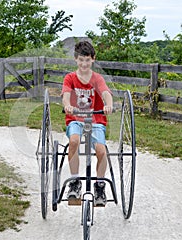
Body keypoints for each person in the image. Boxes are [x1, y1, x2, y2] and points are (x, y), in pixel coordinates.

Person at [61, 41, 113, 206]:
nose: (84, 64)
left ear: (93, 60)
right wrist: (67, 105)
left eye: (87, 60)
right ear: (76, 59)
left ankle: (99, 186)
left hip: (96, 119)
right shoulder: (70, 78)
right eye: (81, 60)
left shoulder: (97, 78)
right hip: (76, 118)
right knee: (74, 141)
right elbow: (66, 95)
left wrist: (108, 104)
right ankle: (75, 182)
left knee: (101, 150)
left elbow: (105, 92)